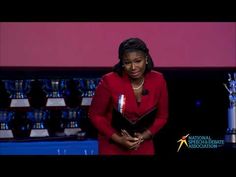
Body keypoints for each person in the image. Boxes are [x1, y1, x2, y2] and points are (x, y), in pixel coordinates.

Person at [88, 37, 168, 155]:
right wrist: (118, 139)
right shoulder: (109, 81)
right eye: (127, 62)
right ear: (122, 63)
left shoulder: (158, 80)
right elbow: (95, 115)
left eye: (137, 61)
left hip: (143, 146)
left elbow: (162, 117)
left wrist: (143, 137)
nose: (133, 67)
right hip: (113, 146)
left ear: (146, 59)